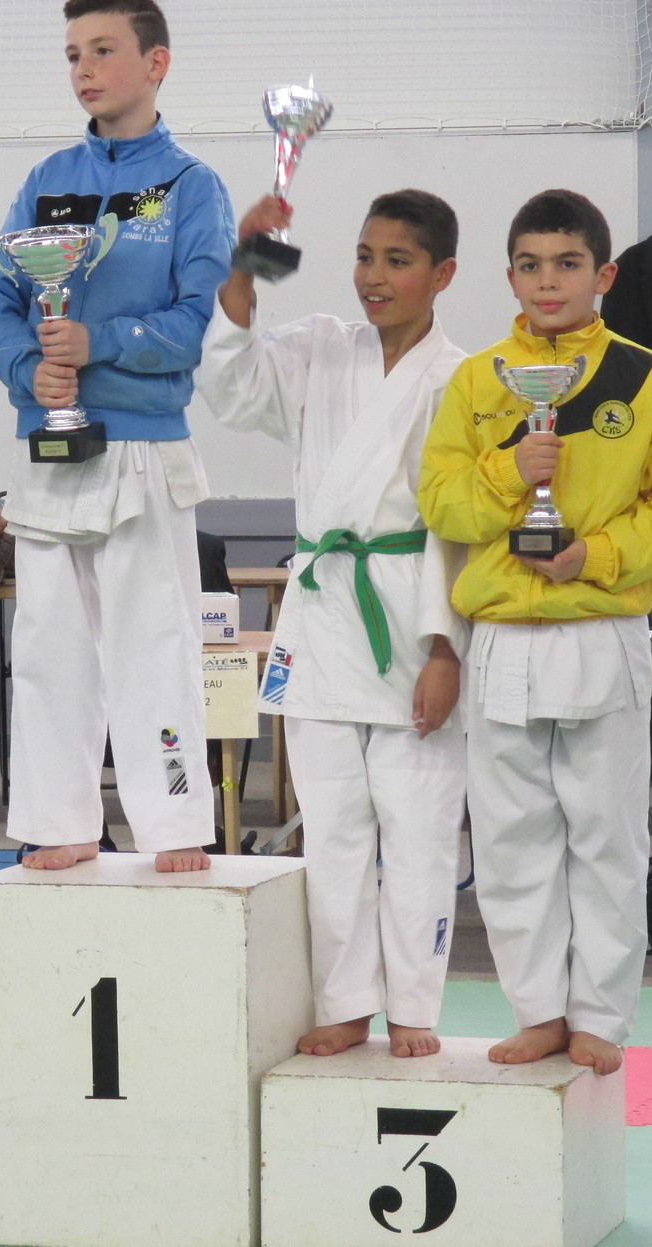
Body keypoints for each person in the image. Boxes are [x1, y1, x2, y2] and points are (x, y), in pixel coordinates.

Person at [418, 189, 652, 1075]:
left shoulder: (647, 377)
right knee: (511, 841)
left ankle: (601, 1016)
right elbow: (441, 503)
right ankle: (539, 1008)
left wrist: (595, 554)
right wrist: (512, 470)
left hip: (600, 622)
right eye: (532, 265)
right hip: (503, 633)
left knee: (605, 833)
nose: (549, 282)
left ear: (604, 274)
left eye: (568, 264)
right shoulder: (478, 380)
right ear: (510, 275)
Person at [198, 189, 468, 1058]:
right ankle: (345, 999)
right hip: (322, 608)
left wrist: (446, 647)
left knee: (418, 821)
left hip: (412, 610)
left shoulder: (463, 379)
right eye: (363, 256)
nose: (373, 277)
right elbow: (231, 385)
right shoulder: (320, 348)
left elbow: (459, 527)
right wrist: (244, 267)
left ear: (443, 274)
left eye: (397, 261)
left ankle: (415, 1003)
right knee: (334, 823)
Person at [0, 0, 234, 873]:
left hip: (143, 445)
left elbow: (199, 320)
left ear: (156, 63)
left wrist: (100, 344)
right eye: (73, 55)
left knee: (154, 643)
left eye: (103, 50)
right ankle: (61, 819)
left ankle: (174, 820)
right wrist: (29, 368)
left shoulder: (192, 187)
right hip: (52, 443)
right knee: (49, 647)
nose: (84, 69)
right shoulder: (47, 181)